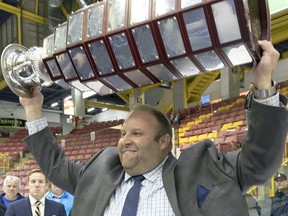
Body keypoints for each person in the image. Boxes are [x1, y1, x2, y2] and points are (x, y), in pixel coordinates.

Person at [19, 40, 288, 216]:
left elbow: (260, 161)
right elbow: (54, 165)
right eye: (124, 133)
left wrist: (264, 83)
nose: (125, 140)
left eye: (136, 133)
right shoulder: (100, 170)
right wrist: (32, 109)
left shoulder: (200, 169)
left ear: (163, 142)